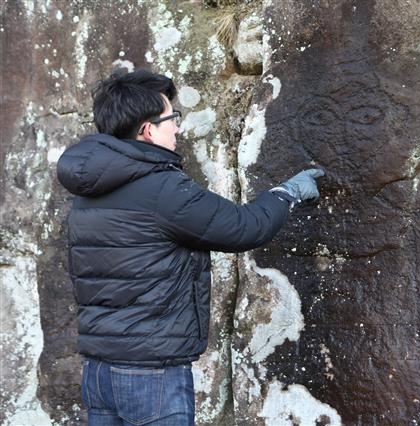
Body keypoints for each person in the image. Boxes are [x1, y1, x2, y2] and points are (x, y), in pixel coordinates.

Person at [56, 69, 324, 425]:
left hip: (99, 373)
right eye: (172, 118)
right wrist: (285, 193)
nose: (178, 128)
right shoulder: (163, 189)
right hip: (151, 376)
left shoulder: (88, 192)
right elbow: (244, 228)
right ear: (148, 130)